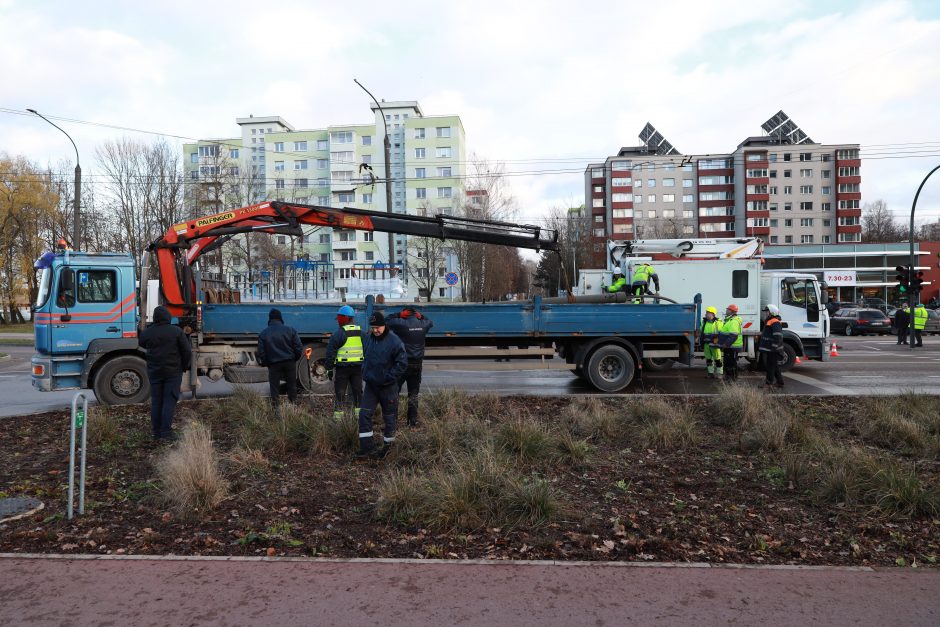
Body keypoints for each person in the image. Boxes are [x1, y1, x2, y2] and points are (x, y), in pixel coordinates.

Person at [355, 311, 408, 460]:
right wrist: (365, 372)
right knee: (364, 414)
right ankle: (367, 448)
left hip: (388, 387)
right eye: (373, 327)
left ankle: (388, 449)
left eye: (378, 327)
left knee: (389, 418)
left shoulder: (395, 341)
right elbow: (366, 357)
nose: (375, 330)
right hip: (371, 386)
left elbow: (402, 363)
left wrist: (388, 377)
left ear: (384, 325)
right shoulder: (369, 339)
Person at [139, 305, 192, 441]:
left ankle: (156, 433)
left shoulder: (147, 332)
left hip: (155, 371)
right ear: (168, 317)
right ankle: (166, 433)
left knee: (157, 401)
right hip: (173, 372)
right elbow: (186, 351)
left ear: (155, 318)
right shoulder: (176, 331)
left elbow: (142, 344)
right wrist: (184, 366)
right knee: (169, 400)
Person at [387, 305, 434, 426]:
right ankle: (412, 423)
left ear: (405, 313)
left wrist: (398, 314)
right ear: (416, 314)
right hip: (417, 365)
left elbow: (386, 321)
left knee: (394, 393)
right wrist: (421, 316)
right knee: (413, 394)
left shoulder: (400, 323)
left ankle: (393, 423)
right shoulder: (423, 324)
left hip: (401, 364)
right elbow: (430, 322)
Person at [257, 308, 303, 409]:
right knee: (292, 385)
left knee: (274, 388)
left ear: (270, 319)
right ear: (280, 318)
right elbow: (298, 347)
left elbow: (261, 352)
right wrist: (294, 358)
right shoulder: (290, 330)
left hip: (273, 364)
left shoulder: (263, 333)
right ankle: (293, 406)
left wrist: (267, 363)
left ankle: (276, 409)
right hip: (289, 362)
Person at [325, 305, 364, 420]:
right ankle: (359, 418)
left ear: (344, 318)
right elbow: (368, 349)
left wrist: (329, 369)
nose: (338, 322)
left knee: (340, 394)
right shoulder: (361, 332)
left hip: (342, 369)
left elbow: (330, 353)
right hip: (358, 369)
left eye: (339, 319)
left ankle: (338, 419)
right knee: (358, 393)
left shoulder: (338, 334)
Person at [759, 304, 785, 388]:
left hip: (773, 349)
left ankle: (768, 383)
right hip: (771, 349)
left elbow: (777, 336)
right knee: (774, 366)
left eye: (767, 311)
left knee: (770, 366)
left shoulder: (775, 322)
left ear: (771, 312)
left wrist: (774, 347)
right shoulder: (770, 321)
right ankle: (780, 382)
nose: (766, 313)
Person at [719, 303, 743, 381]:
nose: (726, 310)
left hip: (732, 346)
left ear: (732, 311)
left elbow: (734, 335)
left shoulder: (734, 321)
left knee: (731, 362)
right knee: (728, 361)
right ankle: (729, 376)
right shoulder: (729, 320)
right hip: (729, 346)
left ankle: (732, 378)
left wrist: (726, 344)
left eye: (728, 309)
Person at [700, 306, 723, 379]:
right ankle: (710, 373)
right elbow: (701, 331)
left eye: (707, 312)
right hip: (706, 344)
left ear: (712, 314)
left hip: (714, 344)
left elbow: (721, 333)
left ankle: (719, 374)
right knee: (708, 359)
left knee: (717, 359)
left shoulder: (718, 322)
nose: (706, 314)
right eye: (706, 312)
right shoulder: (703, 322)